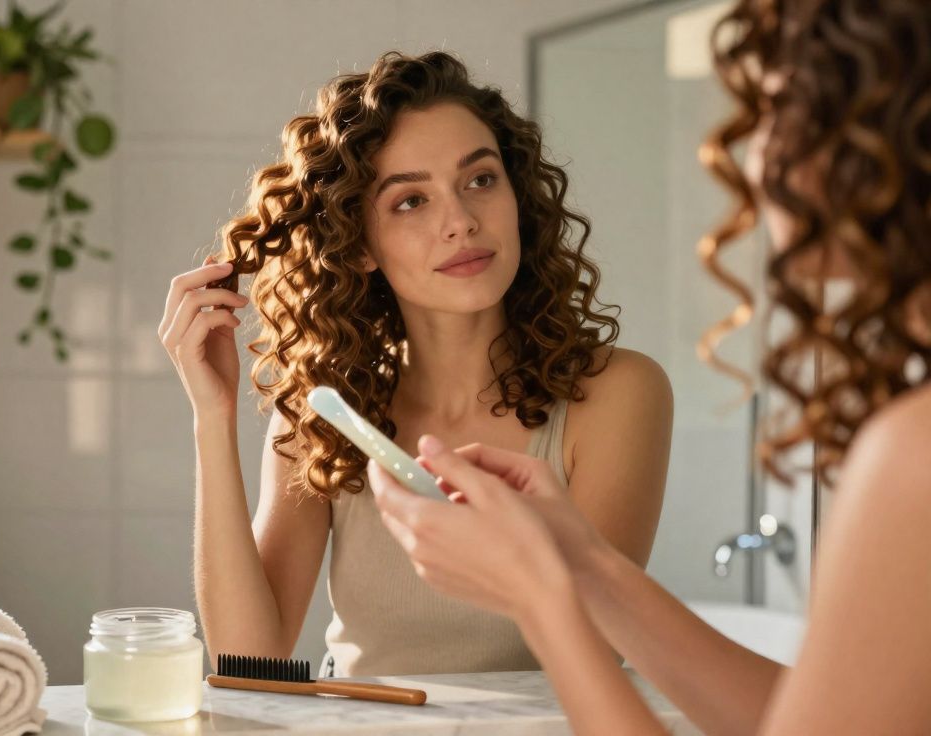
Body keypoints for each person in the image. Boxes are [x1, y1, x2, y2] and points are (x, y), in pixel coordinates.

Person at [370, 1, 931, 732]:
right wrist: (582, 563)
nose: (751, 153)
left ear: (870, 141)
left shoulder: (913, 454)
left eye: (771, 109)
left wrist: (540, 597)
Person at [158, 50, 673, 677]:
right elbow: (250, 664)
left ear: (517, 196)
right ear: (360, 245)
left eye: (480, 180)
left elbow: (596, 649)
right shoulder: (328, 415)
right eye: (410, 201)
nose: (461, 222)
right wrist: (211, 418)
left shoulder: (618, 393)